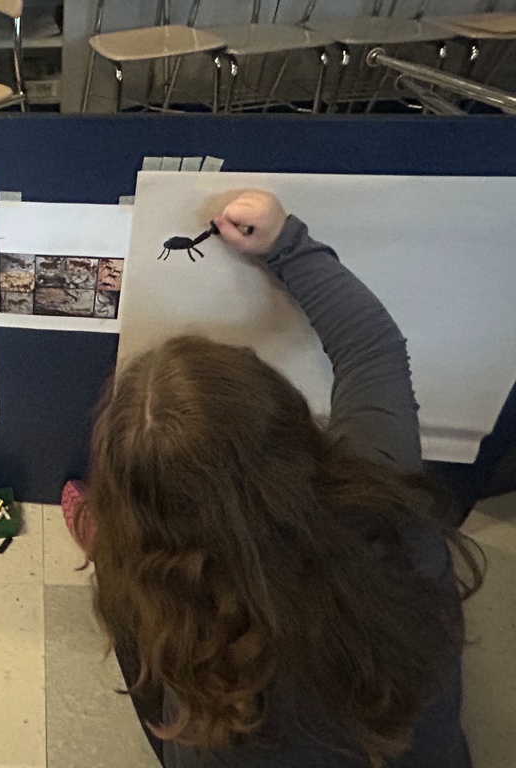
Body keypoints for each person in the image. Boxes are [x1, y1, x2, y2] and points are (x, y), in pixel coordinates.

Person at [74, 190, 484, 767]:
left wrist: (116, 555)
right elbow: (373, 350)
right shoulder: (384, 490)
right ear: (290, 418)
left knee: (123, 598)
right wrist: (287, 243)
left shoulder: (207, 666)